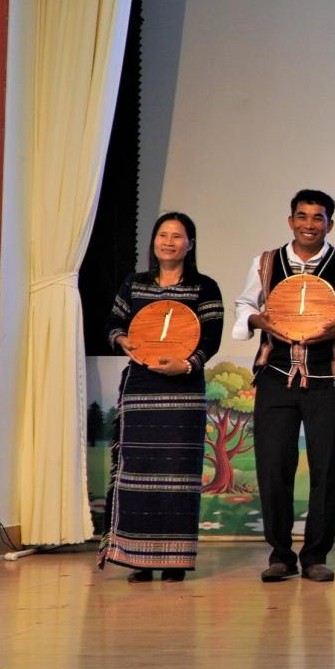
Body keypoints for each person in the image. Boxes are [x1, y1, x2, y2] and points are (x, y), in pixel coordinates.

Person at [233, 189, 335, 583]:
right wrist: (257, 321)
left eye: (318, 218)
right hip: (276, 376)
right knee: (274, 465)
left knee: (325, 467)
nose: (309, 224)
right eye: (302, 216)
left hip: (328, 379)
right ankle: (280, 554)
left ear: (330, 224)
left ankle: (315, 556)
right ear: (290, 221)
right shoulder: (265, 263)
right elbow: (245, 305)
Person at [99, 212, 224, 582]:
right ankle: (139, 558)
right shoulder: (134, 284)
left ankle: (174, 560)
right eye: (163, 235)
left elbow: (211, 337)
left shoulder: (204, 287)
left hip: (183, 393)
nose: (169, 242)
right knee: (139, 472)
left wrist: (186, 365)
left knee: (178, 474)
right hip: (141, 391)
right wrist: (123, 339)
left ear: (190, 244)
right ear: (154, 241)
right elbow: (113, 324)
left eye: (177, 236)